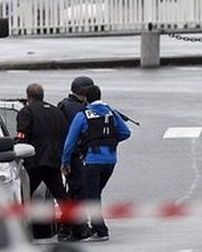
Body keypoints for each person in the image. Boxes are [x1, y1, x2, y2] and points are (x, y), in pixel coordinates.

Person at [61, 84, 131, 242]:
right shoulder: (111, 112)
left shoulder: (83, 115)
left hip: (93, 161)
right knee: (95, 193)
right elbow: (126, 132)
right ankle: (97, 227)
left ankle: (100, 230)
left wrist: (65, 162)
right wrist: (110, 141)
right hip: (111, 161)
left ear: (85, 98)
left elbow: (70, 142)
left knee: (91, 195)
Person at [15, 83, 77, 242]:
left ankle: (16, 228)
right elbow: (65, 134)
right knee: (61, 195)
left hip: (34, 161)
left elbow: (22, 135)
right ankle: (74, 226)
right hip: (53, 161)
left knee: (23, 195)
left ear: (29, 96)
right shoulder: (56, 112)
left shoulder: (27, 111)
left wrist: (19, 148)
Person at [57, 76, 92, 240]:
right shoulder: (76, 109)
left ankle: (72, 227)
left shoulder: (65, 105)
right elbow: (79, 134)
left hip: (67, 154)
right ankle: (73, 227)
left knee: (74, 191)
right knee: (78, 192)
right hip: (73, 155)